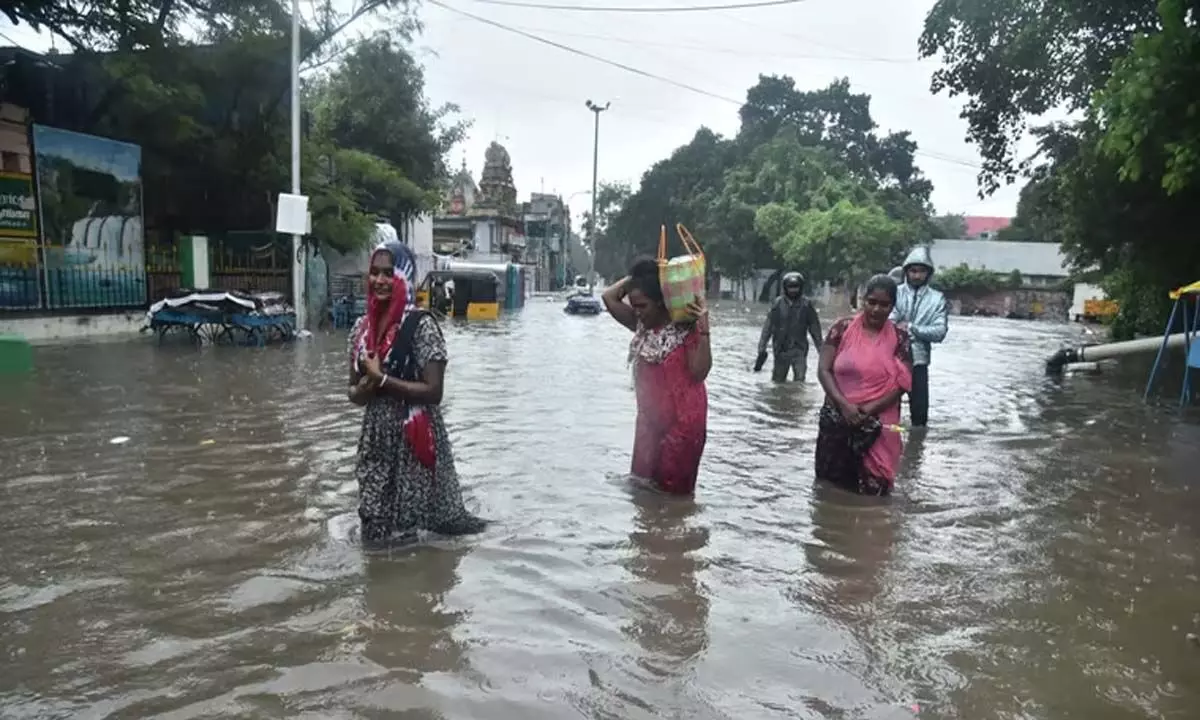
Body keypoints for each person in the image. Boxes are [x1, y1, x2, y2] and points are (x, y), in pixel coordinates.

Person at [347, 239, 486, 546]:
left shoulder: (421, 326)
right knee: (373, 524)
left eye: (389, 273)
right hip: (376, 440)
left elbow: (434, 391)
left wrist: (383, 380)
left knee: (414, 534)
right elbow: (352, 392)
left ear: (403, 277)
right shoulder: (361, 330)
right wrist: (366, 387)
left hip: (415, 439)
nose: (380, 281)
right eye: (374, 273)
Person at [602, 257, 710, 496]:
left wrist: (704, 327)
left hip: (683, 429)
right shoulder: (642, 327)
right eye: (634, 305)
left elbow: (700, 372)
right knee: (641, 495)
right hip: (649, 426)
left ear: (662, 303)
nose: (637, 312)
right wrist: (644, 275)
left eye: (642, 306)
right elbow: (609, 297)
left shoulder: (686, 331)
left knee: (673, 503)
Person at [815, 274, 913, 496]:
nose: (877, 309)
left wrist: (868, 410)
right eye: (872, 302)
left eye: (884, 304)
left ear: (892, 307)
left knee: (875, 490)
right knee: (831, 490)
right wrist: (845, 406)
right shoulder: (841, 329)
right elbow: (824, 370)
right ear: (863, 301)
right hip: (838, 418)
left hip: (878, 424)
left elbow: (902, 384)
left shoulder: (900, 339)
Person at [889, 245, 949, 427]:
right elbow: (887, 320)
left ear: (928, 273)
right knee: (888, 410)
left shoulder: (937, 298)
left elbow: (940, 332)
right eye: (913, 271)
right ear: (906, 271)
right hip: (891, 357)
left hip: (919, 361)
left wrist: (912, 328)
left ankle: (916, 449)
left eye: (921, 271)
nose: (916, 276)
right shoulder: (895, 292)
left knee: (919, 416)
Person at [755, 271, 823, 382]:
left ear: (800, 287)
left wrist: (822, 351)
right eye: (790, 287)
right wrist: (762, 348)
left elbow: (815, 329)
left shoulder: (806, 305)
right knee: (778, 381)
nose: (793, 290)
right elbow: (768, 327)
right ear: (785, 288)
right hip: (781, 349)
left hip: (799, 349)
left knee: (800, 381)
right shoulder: (778, 304)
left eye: (796, 287)